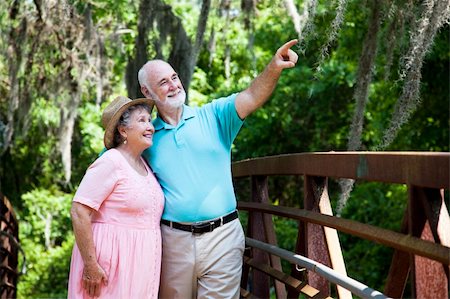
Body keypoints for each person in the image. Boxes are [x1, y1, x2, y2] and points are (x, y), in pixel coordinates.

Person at [137, 39, 298, 299]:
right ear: (147, 92)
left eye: (174, 77)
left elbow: (251, 95)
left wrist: (274, 67)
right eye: (163, 82)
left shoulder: (214, 115)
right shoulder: (145, 136)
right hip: (172, 241)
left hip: (223, 237)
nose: (174, 85)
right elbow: (113, 165)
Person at [68, 96, 164, 298]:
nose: (151, 127)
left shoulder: (144, 164)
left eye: (149, 120)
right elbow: (79, 211)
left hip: (141, 264)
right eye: (142, 121)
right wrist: (91, 264)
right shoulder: (111, 161)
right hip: (110, 264)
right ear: (123, 130)